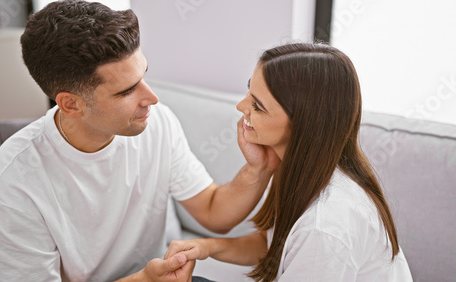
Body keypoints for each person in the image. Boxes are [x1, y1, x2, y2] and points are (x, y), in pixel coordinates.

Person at [0, 1, 279, 281]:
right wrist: (145, 279)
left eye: (144, 75)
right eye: (126, 91)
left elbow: (214, 212)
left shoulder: (157, 123)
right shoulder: (12, 184)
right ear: (71, 105)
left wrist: (258, 170)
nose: (152, 98)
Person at [165, 43, 413, 281]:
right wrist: (206, 247)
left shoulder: (325, 225)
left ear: (304, 124)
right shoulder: (304, 170)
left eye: (257, 106)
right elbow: (276, 246)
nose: (241, 106)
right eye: (249, 91)